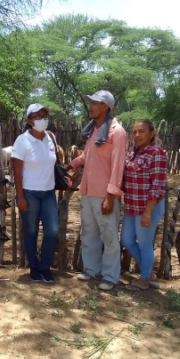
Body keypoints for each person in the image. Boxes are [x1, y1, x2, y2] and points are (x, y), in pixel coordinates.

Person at [66, 90, 128, 291]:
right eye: (90, 102)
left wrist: (110, 196)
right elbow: (88, 155)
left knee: (109, 236)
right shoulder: (94, 130)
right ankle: (92, 270)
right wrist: (71, 165)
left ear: (105, 107)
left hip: (104, 194)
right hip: (88, 191)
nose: (90, 106)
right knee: (89, 232)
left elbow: (118, 165)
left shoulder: (117, 132)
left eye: (95, 103)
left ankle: (110, 277)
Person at [11, 104, 60, 283]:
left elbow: (53, 164)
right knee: (30, 231)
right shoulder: (22, 141)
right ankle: (34, 268)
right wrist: (20, 196)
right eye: (37, 116)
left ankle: (45, 267)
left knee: (52, 231)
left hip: (48, 193)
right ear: (29, 121)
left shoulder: (52, 138)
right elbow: (17, 172)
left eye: (44, 115)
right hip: (30, 193)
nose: (42, 119)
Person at [121, 120, 167, 291]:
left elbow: (158, 186)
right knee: (126, 239)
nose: (137, 135)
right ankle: (148, 273)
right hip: (132, 206)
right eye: (134, 132)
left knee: (144, 243)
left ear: (152, 133)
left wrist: (148, 212)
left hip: (148, 208)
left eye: (142, 131)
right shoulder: (133, 153)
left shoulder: (157, 153)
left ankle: (145, 280)